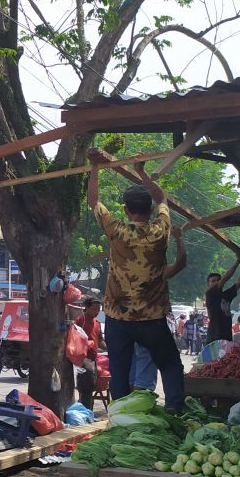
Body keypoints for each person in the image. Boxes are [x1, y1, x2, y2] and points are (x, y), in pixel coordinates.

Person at [87, 153, 184, 411]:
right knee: (171, 365)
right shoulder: (160, 230)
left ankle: (119, 418)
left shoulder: (117, 231)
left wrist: (95, 167)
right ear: (150, 210)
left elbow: (93, 201)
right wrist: (141, 171)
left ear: (127, 210)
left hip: (118, 320)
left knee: (119, 373)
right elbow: (162, 198)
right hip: (152, 319)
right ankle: (174, 411)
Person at [129, 225, 187, 392]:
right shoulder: (154, 271)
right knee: (152, 367)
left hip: (127, 324)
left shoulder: (125, 269)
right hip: (149, 324)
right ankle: (141, 406)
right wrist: (178, 238)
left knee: (134, 368)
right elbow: (181, 263)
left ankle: (129, 407)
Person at [205, 256, 240, 344]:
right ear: (208, 284)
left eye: (218, 280)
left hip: (227, 336)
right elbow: (225, 278)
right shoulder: (209, 294)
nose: (216, 282)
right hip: (214, 337)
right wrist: (238, 260)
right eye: (213, 281)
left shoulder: (227, 295)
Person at [73, 298, 104, 410]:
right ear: (87, 307)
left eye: (99, 310)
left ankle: (87, 412)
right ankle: (85, 412)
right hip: (84, 360)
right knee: (85, 387)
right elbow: (74, 339)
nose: (97, 312)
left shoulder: (97, 323)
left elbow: (100, 340)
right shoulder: (80, 321)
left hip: (94, 359)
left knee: (91, 387)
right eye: (94, 309)